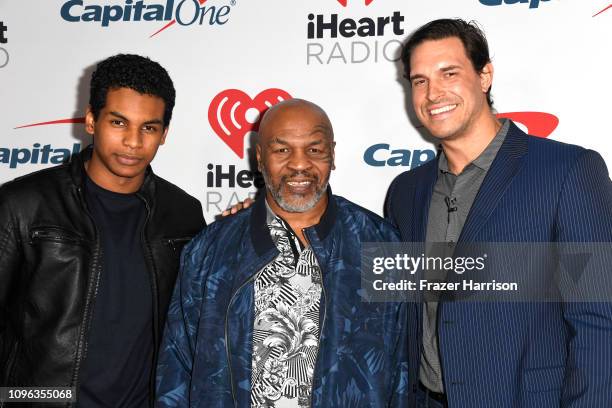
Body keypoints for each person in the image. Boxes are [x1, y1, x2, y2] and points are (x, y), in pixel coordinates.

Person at [385, 19, 612, 407]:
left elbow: (600, 323)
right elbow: (392, 307)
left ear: (485, 75)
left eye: (449, 73)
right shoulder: (406, 192)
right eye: (419, 80)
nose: (432, 92)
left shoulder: (567, 171)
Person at [156, 99, 409, 407]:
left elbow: (402, 371)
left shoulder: (381, 244)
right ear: (260, 158)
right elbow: (176, 370)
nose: (299, 164)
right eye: (282, 150)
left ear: (333, 154)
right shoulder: (210, 251)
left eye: (314, 149)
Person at [0, 54, 205, 407]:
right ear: (92, 121)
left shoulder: (183, 214)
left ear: (164, 134)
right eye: (119, 122)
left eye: (149, 127)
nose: (133, 141)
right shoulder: (23, 205)